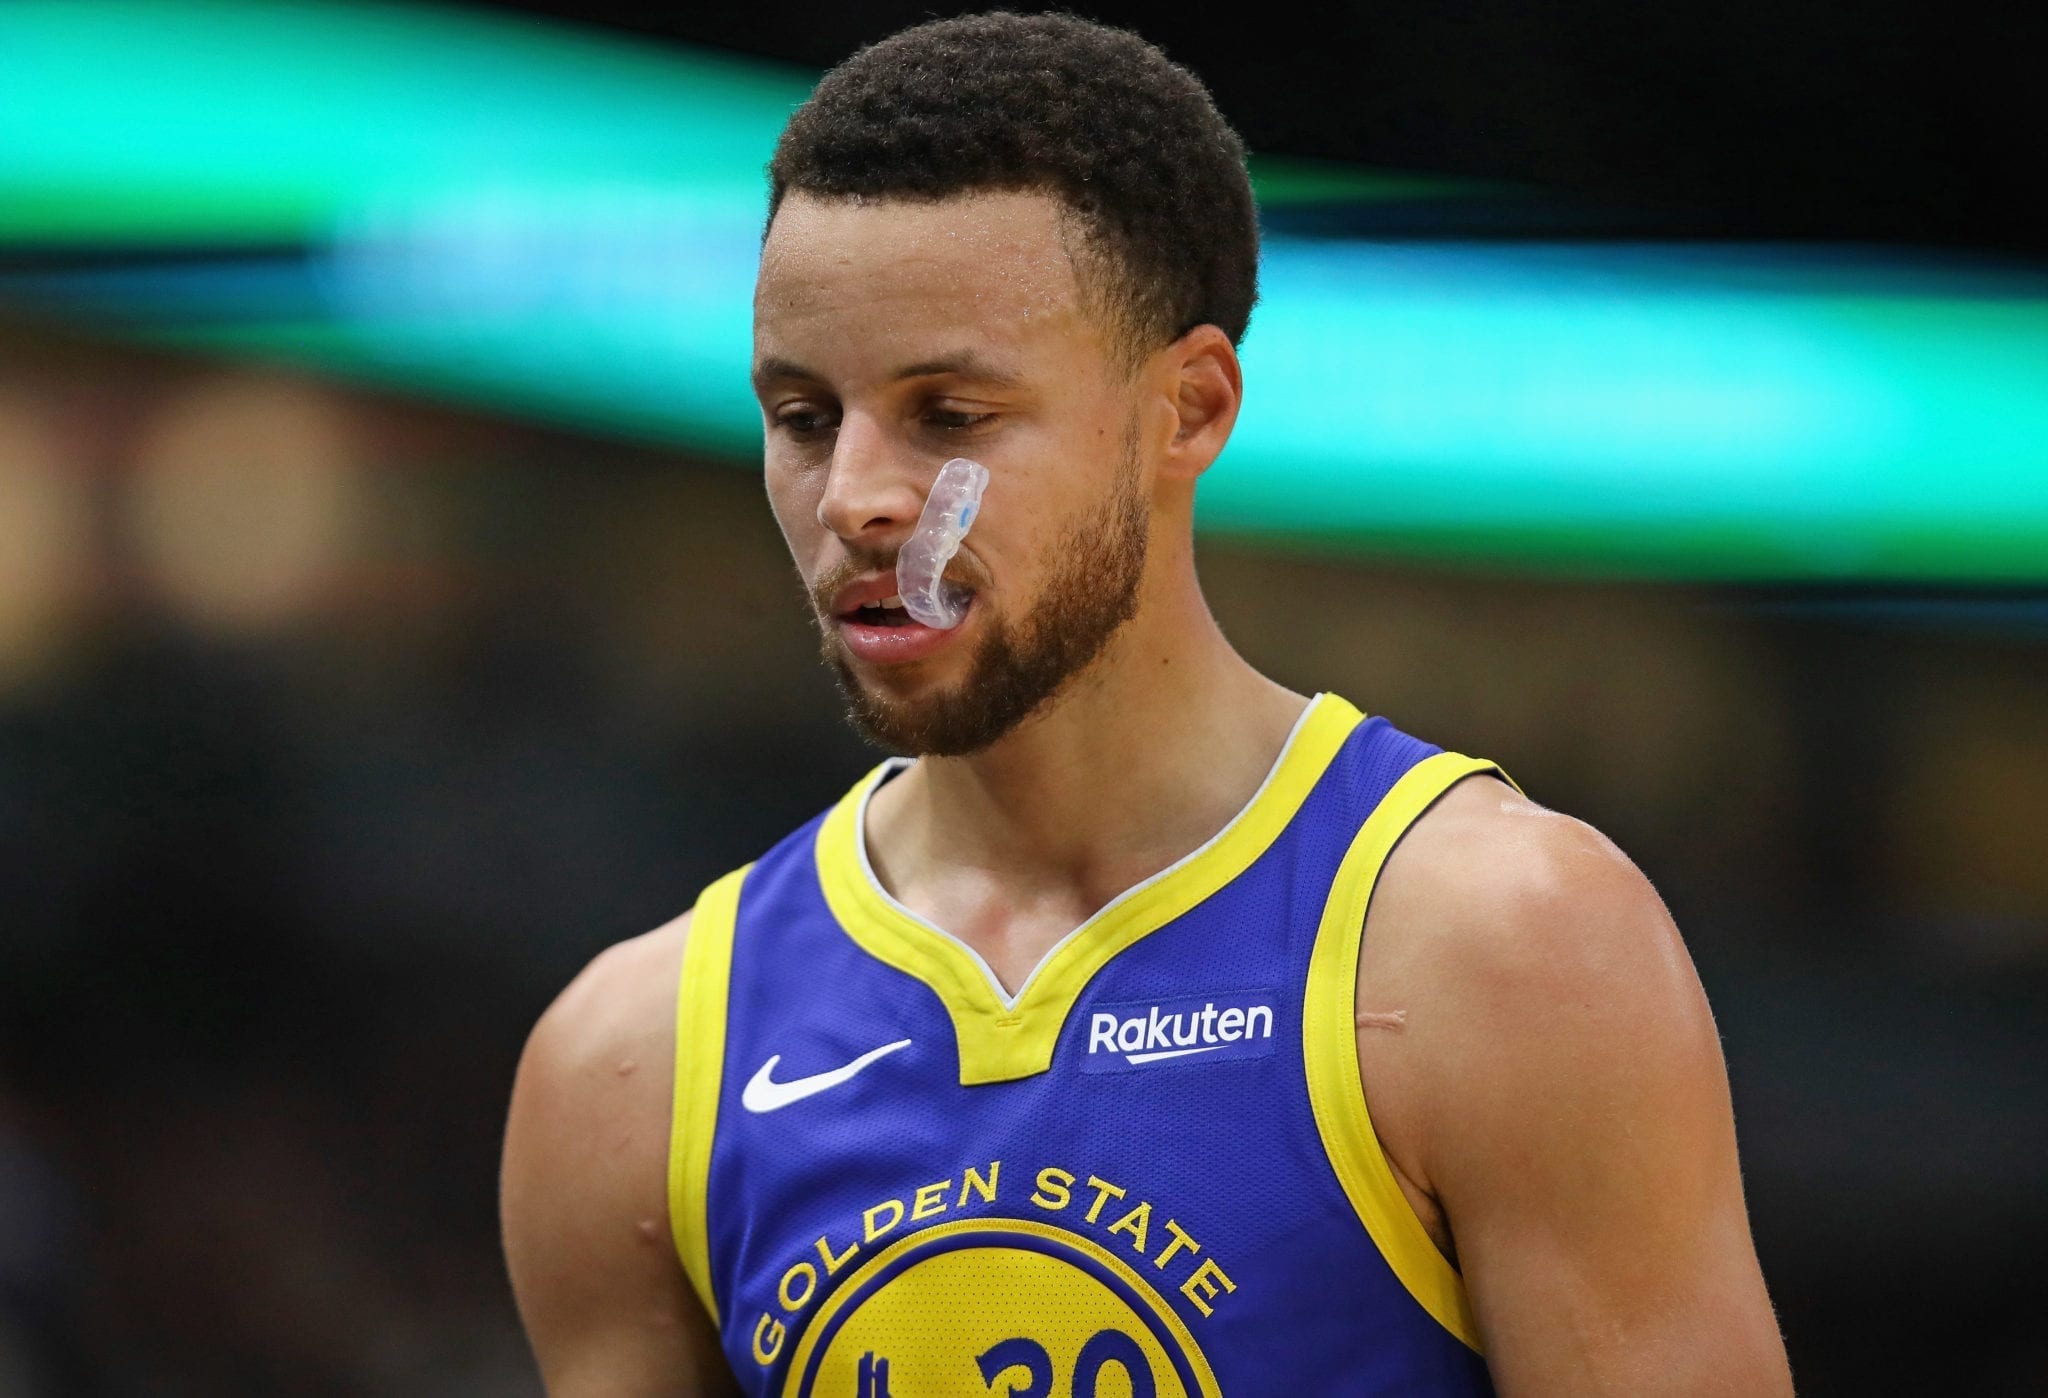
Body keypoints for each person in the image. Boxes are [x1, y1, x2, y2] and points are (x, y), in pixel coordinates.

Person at [501, 12, 1794, 1395]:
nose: (858, 498)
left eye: (950, 414)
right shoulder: (633, 1063)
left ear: (1188, 409)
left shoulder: (1502, 949)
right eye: (805, 415)